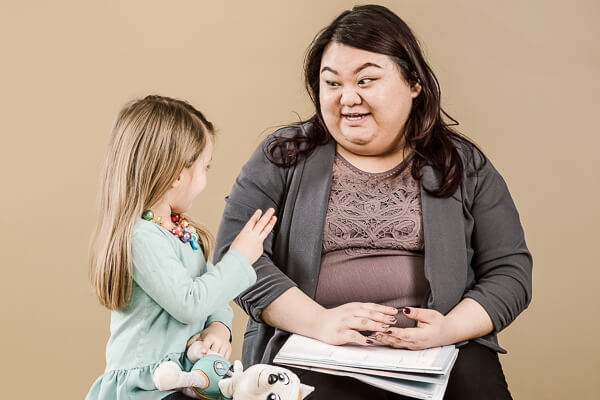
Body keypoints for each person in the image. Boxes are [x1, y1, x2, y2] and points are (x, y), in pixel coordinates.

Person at [214, 5, 532, 400]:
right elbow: (236, 256)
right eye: (332, 84)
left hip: (441, 353)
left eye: (366, 80)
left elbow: (510, 271)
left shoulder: (463, 165)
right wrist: (320, 322)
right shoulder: (283, 156)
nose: (348, 98)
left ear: (413, 82)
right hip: (313, 347)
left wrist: (448, 329)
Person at [86, 95, 276, 400]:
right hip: (146, 389)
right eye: (205, 168)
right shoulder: (141, 238)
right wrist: (240, 257)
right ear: (177, 173)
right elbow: (190, 302)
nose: (204, 180)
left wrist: (218, 328)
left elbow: (214, 299)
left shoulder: (183, 232)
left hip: (184, 380)